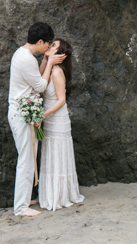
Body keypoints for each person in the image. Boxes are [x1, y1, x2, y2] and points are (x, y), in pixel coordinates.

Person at [8, 22, 66, 217]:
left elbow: (37, 76)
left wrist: (45, 60)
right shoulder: (26, 59)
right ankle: (21, 208)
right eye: (47, 44)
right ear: (40, 41)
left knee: (29, 158)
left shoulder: (24, 54)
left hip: (23, 112)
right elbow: (41, 86)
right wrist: (50, 62)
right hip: (21, 114)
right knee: (26, 159)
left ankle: (24, 199)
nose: (48, 47)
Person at [38, 39, 84, 211]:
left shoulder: (57, 72)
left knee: (58, 150)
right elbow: (39, 82)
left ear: (60, 54)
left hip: (56, 117)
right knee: (50, 150)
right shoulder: (50, 68)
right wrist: (45, 59)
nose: (50, 46)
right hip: (49, 116)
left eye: (54, 45)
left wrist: (43, 114)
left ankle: (60, 194)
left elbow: (62, 100)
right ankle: (50, 192)